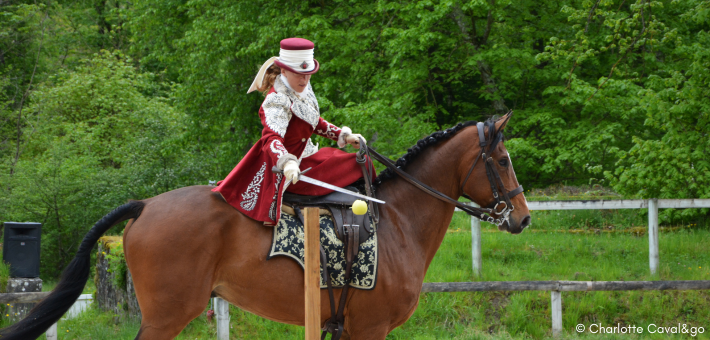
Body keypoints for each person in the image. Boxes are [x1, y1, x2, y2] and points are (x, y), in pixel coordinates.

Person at [213, 37, 373, 226]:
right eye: (299, 74)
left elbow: (314, 122)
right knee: (356, 164)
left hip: (305, 157)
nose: (304, 79)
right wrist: (288, 163)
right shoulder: (277, 100)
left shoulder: (302, 86)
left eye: (308, 74)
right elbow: (271, 139)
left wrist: (343, 136)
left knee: (361, 161)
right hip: (284, 168)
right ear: (284, 71)